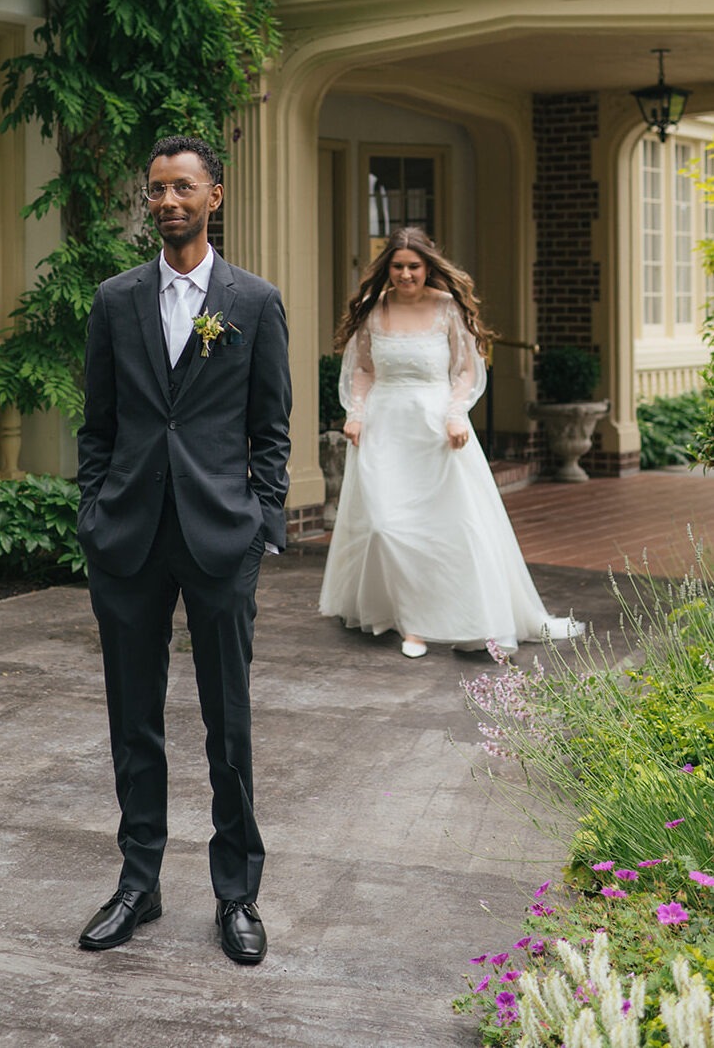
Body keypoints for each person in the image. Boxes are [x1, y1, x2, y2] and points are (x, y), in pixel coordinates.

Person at [76, 135, 291, 962]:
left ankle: (236, 893)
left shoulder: (253, 302)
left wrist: (260, 522)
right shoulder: (115, 299)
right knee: (133, 720)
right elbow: (98, 424)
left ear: (214, 197)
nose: (168, 201)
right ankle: (139, 883)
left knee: (226, 725)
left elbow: (270, 427)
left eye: (183, 188)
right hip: (126, 539)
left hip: (219, 537)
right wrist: (93, 514)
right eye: (158, 188)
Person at [319, 227, 580, 658]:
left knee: (446, 529)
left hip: (437, 429)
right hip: (384, 428)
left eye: (414, 266)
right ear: (387, 268)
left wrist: (457, 414)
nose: (405, 274)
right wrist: (356, 413)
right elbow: (363, 369)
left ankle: (427, 624)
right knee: (385, 527)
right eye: (398, 266)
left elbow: (465, 370)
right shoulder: (374, 308)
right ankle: (407, 619)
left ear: (428, 267)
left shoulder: (446, 307)